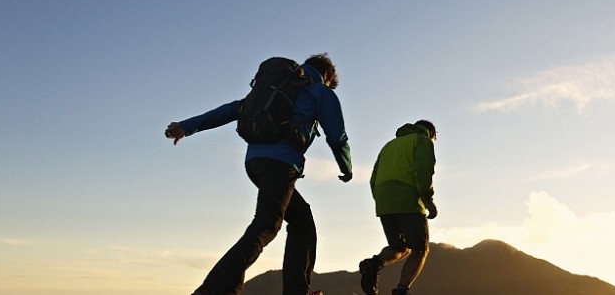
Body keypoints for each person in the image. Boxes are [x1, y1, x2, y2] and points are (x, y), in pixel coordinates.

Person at [164, 53, 353, 295]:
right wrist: (346, 168)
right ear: (327, 77)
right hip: (280, 164)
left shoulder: (278, 89)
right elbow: (337, 137)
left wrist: (188, 126)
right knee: (267, 225)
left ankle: (296, 290)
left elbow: (233, 109)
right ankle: (214, 290)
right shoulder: (319, 91)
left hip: (255, 162)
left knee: (302, 220)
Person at [359, 120, 438, 295]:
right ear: (432, 133)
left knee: (400, 248)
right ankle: (402, 291)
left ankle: (373, 264)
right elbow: (424, 170)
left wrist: (382, 200)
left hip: (384, 202)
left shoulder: (389, 146)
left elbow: (373, 178)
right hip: (407, 199)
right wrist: (428, 200)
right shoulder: (422, 141)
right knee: (419, 249)